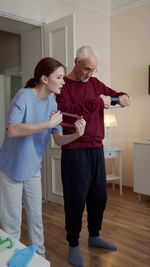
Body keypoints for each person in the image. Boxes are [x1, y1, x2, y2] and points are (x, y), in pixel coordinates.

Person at [0, 57, 86, 258]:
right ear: (44, 79)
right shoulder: (23, 96)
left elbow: (58, 140)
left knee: (36, 218)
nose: (64, 81)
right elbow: (12, 130)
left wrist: (76, 135)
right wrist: (46, 125)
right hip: (11, 170)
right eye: (59, 77)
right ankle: (8, 259)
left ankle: (40, 257)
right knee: (12, 223)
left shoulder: (51, 104)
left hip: (32, 170)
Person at [56, 46, 130, 267]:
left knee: (99, 197)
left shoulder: (95, 84)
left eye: (94, 69)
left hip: (96, 148)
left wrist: (123, 97)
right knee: (75, 200)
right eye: (87, 68)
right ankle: (73, 244)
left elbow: (113, 95)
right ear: (76, 62)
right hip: (74, 150)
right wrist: (98, 102)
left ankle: (94, 236)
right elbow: (68, 114)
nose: (90, 73)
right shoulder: (63, 86)